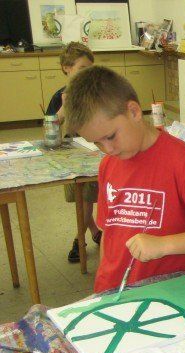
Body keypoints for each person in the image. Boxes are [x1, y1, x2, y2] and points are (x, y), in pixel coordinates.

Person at [64, 66, 185, 293]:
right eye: (97, 143)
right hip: (115, 291)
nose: (108, 149)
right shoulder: (108, 164)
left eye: (111, 136)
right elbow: (109, 233)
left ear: (134, 112)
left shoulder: (179, 160)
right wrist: (103, 288)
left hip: (172, 292)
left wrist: (163, 245)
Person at [46, 41, 101, 263]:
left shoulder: (95, 94)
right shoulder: (59, 96)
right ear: (66, 68)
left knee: (87, 199)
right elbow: (50, 132)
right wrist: (63, 109)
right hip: (70, 155)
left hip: (92, 153)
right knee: (80, 199)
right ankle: (95, 231)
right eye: (82, 69)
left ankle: (79, 240)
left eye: (90, 69)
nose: (87, 74)